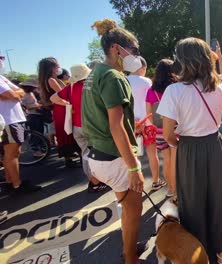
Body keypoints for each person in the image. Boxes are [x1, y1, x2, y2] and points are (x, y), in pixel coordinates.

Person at [157, 37, 222, 263]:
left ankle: (197, 250)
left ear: (183, 60)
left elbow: (168, 134)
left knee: (191, 202)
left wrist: (183, 148)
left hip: (188, 146)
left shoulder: (174, 91)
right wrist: (221, 142)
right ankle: (221, 249)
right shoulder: (220, 87)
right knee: (217, 198)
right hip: (214, 143)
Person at [82, 19, 143, 264]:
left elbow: (102, 116)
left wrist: (131, 127)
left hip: (97, 154)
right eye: (134, 51)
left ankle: (129, 246)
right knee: (133, 208)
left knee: (125, 206)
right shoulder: (113, 77)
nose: (137, 56)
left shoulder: (95, 72)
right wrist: (134, 167)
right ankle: (130, 258)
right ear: (118, 49)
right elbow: (115, 126)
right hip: (114, 158)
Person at [50, 64, 108, 193]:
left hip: (77, 127)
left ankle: (93, 181)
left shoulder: (70, 88)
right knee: (95, 155)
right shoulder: (92, 86)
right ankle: (96, 182)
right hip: (92, 126)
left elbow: (53, 98)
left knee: (86, 154)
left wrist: (67, 104)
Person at [0, 58, 42, 193]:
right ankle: (16, 185)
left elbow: (19, 92)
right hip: (8, 120)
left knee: (14, 152)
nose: (2, 61)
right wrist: (16, 94)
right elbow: (13, 94)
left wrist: (16, 94)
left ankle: (10, 181)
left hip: (13, 119)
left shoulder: (2, 78)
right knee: (11, 154)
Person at [128, 56, 166, 192]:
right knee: (152, 153)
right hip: (148, 122)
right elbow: (151, 101)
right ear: (142, 68)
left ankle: (136, 182)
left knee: (134, 154)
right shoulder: (146, 81)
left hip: (131, 123)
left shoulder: (124, 80)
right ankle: (156, 181)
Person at [39, 58, 80, 167]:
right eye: (57, 66)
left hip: (62, 107)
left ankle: (70, 157)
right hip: (61, 108)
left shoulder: (54, 79)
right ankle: (69, 159)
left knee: (67, 132)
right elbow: (63, 93)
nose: (59, 68)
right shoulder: (51, 80)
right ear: (51, 68)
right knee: (66, 133)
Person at [146, 59, 175, 196]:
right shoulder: (176, 87)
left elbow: (149, 114)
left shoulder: (151, 91)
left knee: (166, 160)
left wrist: (155, 128)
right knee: (174, 161)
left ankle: (170, 188)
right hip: (175, 128)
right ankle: (176, 190)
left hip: (158, 130)